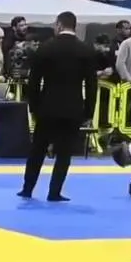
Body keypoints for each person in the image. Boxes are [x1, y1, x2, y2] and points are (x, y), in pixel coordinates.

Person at [20, 11, 98, 202]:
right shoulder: (85, 50)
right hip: (73, 108)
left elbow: (33, 81)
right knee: (64, 153)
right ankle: (54, 192)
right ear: (74, 26)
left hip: (47, 107)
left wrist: (34, 107)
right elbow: (92, 85)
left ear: (59, 25)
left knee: (38, 150)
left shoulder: (46, 48)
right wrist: (88, 111)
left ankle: (27, 189)